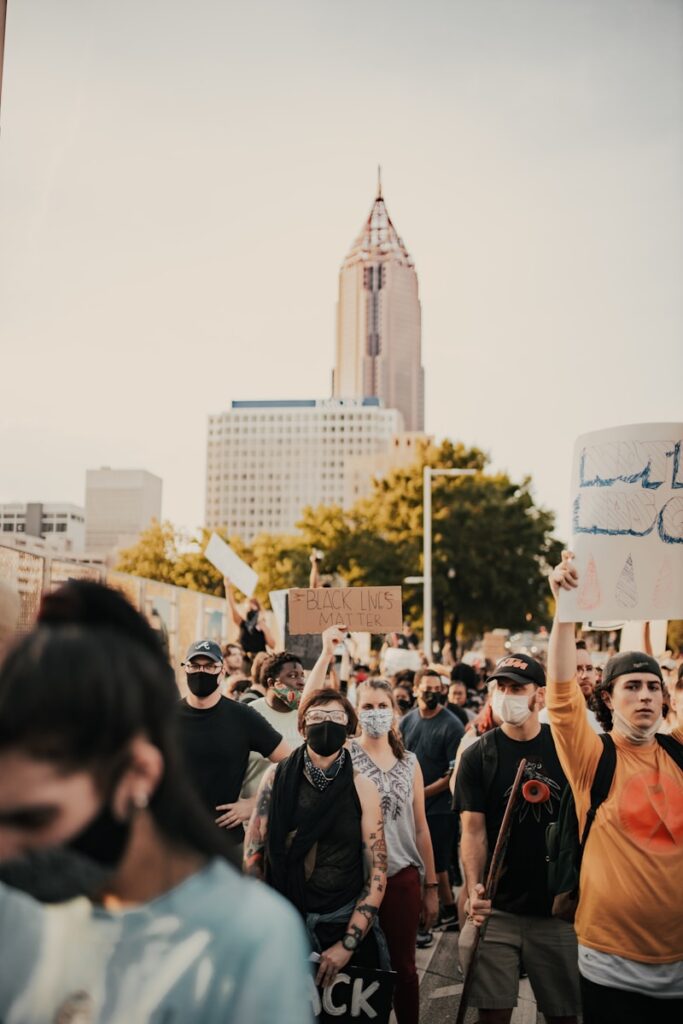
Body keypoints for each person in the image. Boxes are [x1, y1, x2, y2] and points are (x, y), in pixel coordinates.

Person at [0, 580, 312, 1023]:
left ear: (139, 773)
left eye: (34, 819)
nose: (8, 850)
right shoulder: (18, 914)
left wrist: (252, 804)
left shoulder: (246, 937)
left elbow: (291, 760)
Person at [548, 551, 683, 1024]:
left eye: (653, 686)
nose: (645, 694)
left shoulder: (678, 752)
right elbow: (561, 694)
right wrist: (565, 611)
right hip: (609, 964)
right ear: (607, 697)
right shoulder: (594, 757)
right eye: (632, 686)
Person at [455, 653, 580, 1024]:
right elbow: (473, 832)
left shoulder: (568, 750)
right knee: (492, 1014)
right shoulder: (479, 756)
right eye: (501, 687)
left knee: (564, 1015)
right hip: (498, 911)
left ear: (539, 696)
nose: (506, 695)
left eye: (517, 688)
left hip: (557, 913)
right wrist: (475, 888)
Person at [244, 689, 389, 988]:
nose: (326, 724)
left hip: (340, 919)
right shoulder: (276, 778)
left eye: (336, 717)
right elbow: (253, 856)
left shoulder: (363, 789)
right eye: (317, 716)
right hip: (284, 920)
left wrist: (347, 946)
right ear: (301, 727)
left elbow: (377, 872)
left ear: (349, 729)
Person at [349, 678, 438, 1024]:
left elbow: (420, 827)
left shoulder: (410, 762)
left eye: (382, 706)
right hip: (356, 881)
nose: (375, 714)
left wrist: (430, 888)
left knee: (404, 968)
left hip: (401, 878)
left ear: (394, 712)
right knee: (361, 968)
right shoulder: (345, 755)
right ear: (357, 712)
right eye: (368, 707)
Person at [176, 639, 290, 845]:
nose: (201, 672)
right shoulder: (165, 716)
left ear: (222, 672)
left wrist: (257, 803)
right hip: (174, 843)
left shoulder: (242, 717)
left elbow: (291, 762)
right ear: (185, 670)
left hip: (225, 843)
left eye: (210, 666)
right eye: (194, 665)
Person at [240, 626, 346, 799]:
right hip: (252, 814)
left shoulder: (307, 716)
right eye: (292, 676)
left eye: (302, 676)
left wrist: (327, 652)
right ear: (272, 683)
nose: (301, 682)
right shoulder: (250, 714)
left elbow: (313, 690)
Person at [399, 668, 464, 930]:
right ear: (416, 690)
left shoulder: (452, 725)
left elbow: (452, 775)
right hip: (410, 806)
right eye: (427, 688)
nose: (432, 694)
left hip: (439, 808)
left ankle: (447, 910)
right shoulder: (407, 721)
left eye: (437, 689)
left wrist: (420, 794)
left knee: (437, 864)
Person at [539, 641, 602, 733]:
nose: (585, 675)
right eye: (577, 669)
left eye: (589, 668)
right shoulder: (543, 722)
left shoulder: (601, 721)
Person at [225, 580, 275, 659]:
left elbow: (272, 645)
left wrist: (265, 629)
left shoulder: (263, 626)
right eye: (249, 609)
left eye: (254, 609)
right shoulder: (242, 623)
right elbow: (232, 607)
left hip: (259, 660)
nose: (251, 613)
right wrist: (228, 587)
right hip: (243, 659)